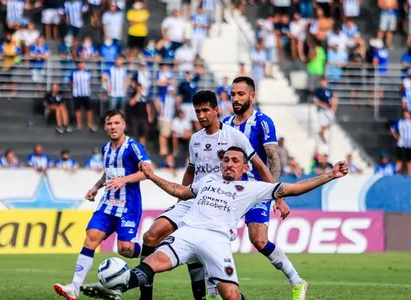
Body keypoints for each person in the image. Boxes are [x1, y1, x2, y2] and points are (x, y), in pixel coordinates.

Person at [89, 148, 348, 300]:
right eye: (226, 160)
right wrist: (152, 176)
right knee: (152, 263)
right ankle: (119, 285)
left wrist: (330, 175)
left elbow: (292, 188)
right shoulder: (208, 180)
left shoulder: (253, 188)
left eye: (235, 161)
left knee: (230, 296)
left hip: (217, 241)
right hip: (188, 233)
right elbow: (180, 192)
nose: (229, 164)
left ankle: (118, 284)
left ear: (245, 167)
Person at [120, 90, 280, 300]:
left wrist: (277, 197)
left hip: (215, 202)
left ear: (216, 110)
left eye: (205, 110)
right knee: (151, 236)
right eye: (197, 111)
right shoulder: (195, 139)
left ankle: (200, 296)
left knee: (195, 250)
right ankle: (146, 295)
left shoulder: (234, 135)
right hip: (192, 197)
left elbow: (259, 165)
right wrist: (180, 200)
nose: (201, 115)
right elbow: (191, 169)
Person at [222, 76, 307, 298]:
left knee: (259, 240)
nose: (236, 98)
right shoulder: (226, 124)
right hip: (229, 190)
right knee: (217, 236)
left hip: (257, 189)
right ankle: (215, 292)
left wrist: (277, 196)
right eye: (233, 94)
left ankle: (298, 282)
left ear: (252, 96)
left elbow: (273, 158)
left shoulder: (262, 122)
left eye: (241, 94)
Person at [54, 109, 151, 300]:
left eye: (116, 123)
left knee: (125, 249)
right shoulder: (106, 148)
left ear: (123, 124)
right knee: (91, 238)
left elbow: (148, 171)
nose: (113, 127)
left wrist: (124, 180)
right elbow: (109, 173)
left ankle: (152, 249)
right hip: (107, 204)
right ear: (105, 126)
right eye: (109, 123)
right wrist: (96, 187)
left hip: (128, 206)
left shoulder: (133, 147)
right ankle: (74, 287)